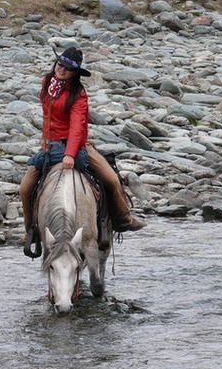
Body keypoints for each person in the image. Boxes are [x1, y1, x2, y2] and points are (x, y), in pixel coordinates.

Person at [19, 47, 146, 250]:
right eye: (60, 65)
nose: (62, 70)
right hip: (50, 146)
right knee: (25, 188)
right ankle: (31, 230)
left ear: (75, 73)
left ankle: (123, 219)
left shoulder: (78, 94)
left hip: (76, 145)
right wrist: (45, 140)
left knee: (112, 180)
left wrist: (70, 155)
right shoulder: (47, 83)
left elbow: (77, 126)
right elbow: (47, 116)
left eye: (68, 69)